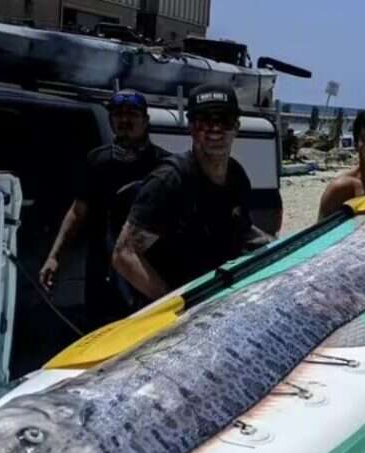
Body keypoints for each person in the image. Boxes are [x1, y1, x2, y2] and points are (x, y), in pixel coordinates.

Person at [111, 84, 273, 300]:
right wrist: (176, 303)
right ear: (191, 127)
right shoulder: (169, 182)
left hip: (218, 296)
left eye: (223, 120)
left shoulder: (237, 176)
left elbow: (242, 230)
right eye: (204, 120)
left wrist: (280, 248)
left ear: (236, 126)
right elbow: (124, 255)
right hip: (178, 307)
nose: (214, 129)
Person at [39, 89, 170, 327]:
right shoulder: (96, 161)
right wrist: (54, 257)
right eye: (118, 114)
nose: (125, 120)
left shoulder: (165, 166)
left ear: (146, 120)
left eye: (132, 114)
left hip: (147, 273)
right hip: (102, 274)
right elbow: (78, 212)